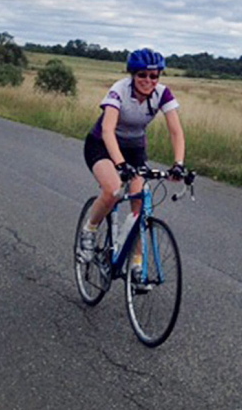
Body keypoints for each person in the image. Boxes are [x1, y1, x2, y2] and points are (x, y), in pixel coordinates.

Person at [78, 48, 187, 275]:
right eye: (142, 75)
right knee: (112, 190)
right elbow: (108, 130)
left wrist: (178, 163)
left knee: (140, 204)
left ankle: (136, 264)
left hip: (135, 148)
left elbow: (176, 131)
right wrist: (120, 165)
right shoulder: (119, 90)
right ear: (133, 75)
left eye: (154, 76)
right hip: (102, 145)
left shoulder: (162, 94)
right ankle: (89, 231)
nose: (148, 81)